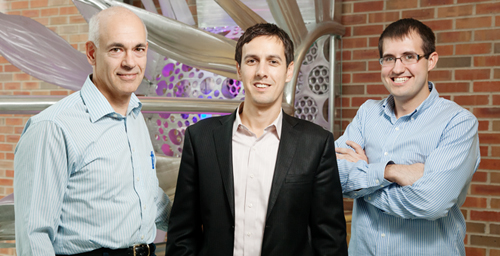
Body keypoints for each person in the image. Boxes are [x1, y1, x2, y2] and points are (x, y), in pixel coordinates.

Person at [165, 23, 347, 256]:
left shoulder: (316, 144)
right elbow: (182, 234)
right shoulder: (200, 138)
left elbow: (330, 241)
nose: (262, 71)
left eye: (273, 61)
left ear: (289, 70)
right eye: (252, 61)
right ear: (239, 69)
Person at [14, 6, 171, 256]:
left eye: (138, 49)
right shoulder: (52, 128)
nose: (130, 62)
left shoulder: (134, 115)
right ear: (91, 53)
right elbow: (34, 236)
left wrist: (192, 222)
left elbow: (147, 194)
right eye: (116, 49)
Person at [335, 18, 480, 256]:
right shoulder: (366, 114)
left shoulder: (458, 123)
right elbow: (333, 175)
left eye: (409, 56)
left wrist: (364, 177)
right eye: (389, 58)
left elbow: (431, 203)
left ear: (431, 60)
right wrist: (390, 172)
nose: (397, 68)